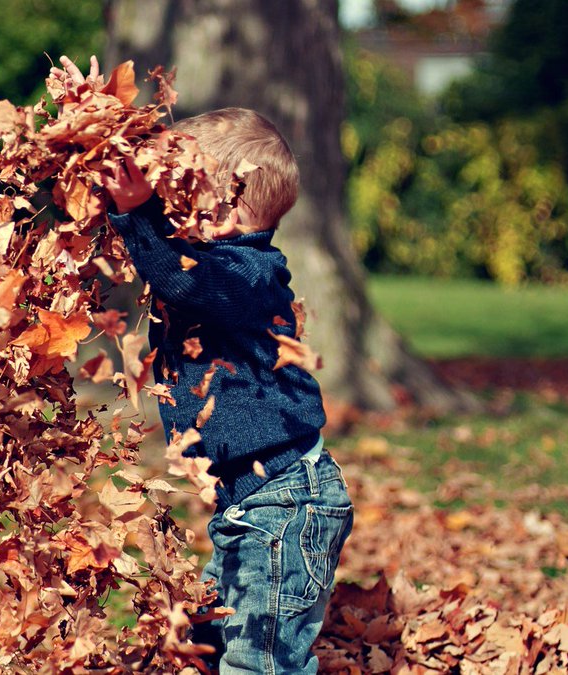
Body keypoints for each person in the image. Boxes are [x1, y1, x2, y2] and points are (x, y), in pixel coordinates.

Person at [56, 56, 355, 673]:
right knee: (206, 639)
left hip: (286, 504)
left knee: (261, 660)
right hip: (247, 504)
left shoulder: (250, 274)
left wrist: (136, 215)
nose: (166, 207)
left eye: (179, 192)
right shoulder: (216, 264)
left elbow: (182, 281)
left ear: (225, 206)